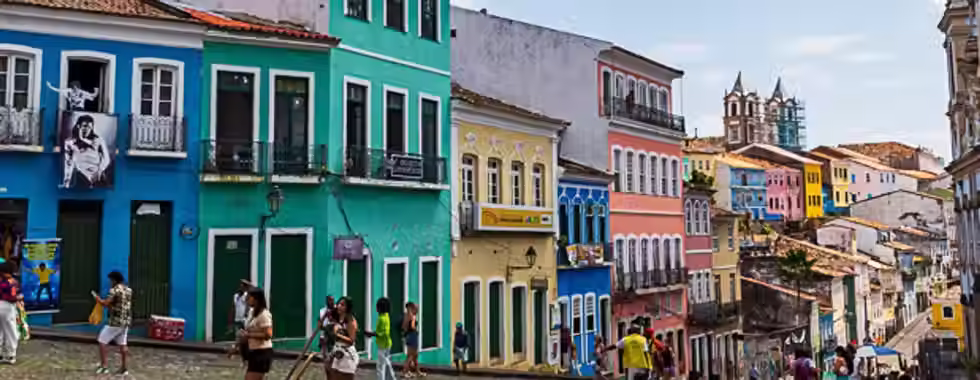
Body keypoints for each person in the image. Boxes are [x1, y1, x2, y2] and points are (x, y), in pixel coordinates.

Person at [93, 270, 132, 375]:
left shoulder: (114, 290)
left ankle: (104, 366)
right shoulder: (128, 290)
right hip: (126, 322)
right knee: (123, 344)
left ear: (114, 280)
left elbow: (106, 303)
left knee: (102, 341)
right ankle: (124, 368)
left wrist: (97, 299)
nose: (110, 282)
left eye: (111, 280)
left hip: (115, 322)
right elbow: (120, 304)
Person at [62, 114, 111, 188]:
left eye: (90, 127)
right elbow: (68, 163)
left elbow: (106, 159)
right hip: (81, 177)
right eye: (85, 126)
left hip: (98, 176)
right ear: (78, 126)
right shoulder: (69, 143)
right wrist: (66, 182)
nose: (87, 129)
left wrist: (99, 171)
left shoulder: (98, 140)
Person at [240, 288, 273, 379]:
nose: (247, 300)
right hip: (253, 351)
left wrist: (249, 335)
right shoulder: (252, 312)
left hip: (262, 352)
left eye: (249, 298)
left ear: (256, 299)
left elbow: (268, 334)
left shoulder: (264, 315)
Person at [365, 297, 396, 380]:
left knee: (380, 366)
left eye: (377, 306)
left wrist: (372, 334)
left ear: (380, 308)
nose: (376, 308)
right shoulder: (386, 316)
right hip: (386, 344)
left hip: (383, 345)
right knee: (386, 363)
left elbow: (384, 333)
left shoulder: (382, 319)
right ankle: (392, 378)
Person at [331, 297, 360, 380]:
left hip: (347, 355)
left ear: (347, 308)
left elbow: (351, 340)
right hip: (338, 352)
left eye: (342, 305)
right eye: (339, 304)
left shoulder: (350, 321)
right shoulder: (338, 318)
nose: (339, 306)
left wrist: (337, 335)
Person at [0, 261, 22, 364]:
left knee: (0, 331)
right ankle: (10, 355)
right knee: (10, 330)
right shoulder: (14, 282)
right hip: (8, 307)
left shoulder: (1, 282)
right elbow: (14, 297)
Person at [402, 301, 424, 378]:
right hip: (413, 336)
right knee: (411, 356)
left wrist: (406, 334)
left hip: (408, 336)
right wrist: (415, 330)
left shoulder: (406, 316)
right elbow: (412, 326)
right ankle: (405, 372)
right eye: (416, 308)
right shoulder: (413, 316)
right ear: (412, 308)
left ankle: (417, 371)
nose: (417, 309)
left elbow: (404, 328)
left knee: (414, 356)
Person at [319, 295, 337, 379]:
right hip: (325, 339)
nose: (331, 302)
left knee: (334, 363)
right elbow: (319, 326)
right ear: (326, 301)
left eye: (332, 300)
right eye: (329, 300)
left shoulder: (337, 311)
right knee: (326, 363)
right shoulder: (322, 311)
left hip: (335, 340)